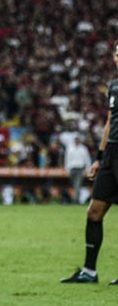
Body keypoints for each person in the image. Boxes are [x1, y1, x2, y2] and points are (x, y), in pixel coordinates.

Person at [61, 40, 118, 285]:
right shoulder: (114, 85)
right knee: (94, 212)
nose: (117, 58)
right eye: (117, 54)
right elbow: (109, 122)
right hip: (112, 153)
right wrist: (99, 156)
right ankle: (89, 271)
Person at [62, 134, 92, 204]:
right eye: (75, 139)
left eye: (78, 139)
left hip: (79, 168)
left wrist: (88, 168)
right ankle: (75, 198)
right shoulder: (70, 148)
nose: (76, 140)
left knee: (77, 184)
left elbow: (87, 159)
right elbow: (67, 158)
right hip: (72, 168)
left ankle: (76, 200)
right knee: (73, 184)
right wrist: (67, 168)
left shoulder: (83, 148)